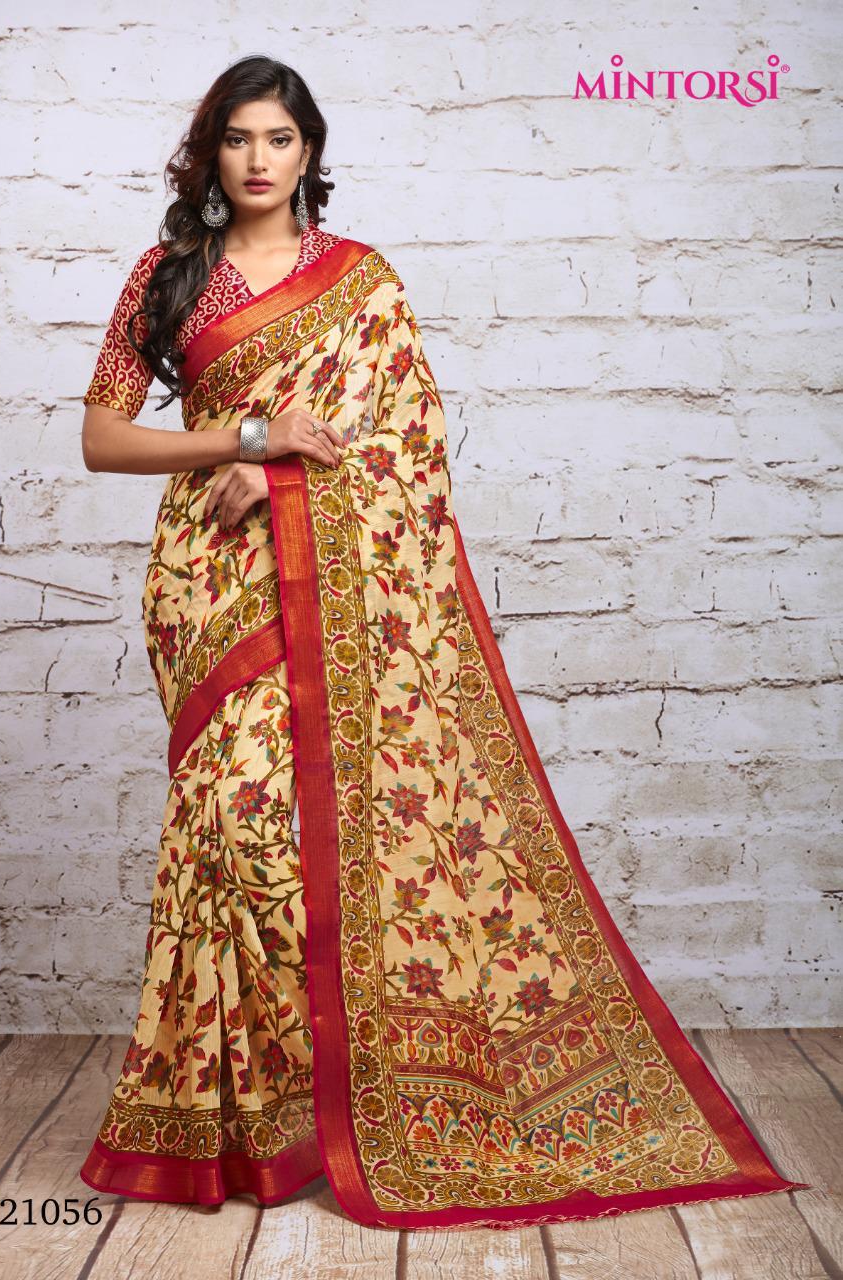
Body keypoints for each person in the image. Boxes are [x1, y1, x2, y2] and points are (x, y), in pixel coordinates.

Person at [77, 55, 810, 1230]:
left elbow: (405, 451)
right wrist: (245, 439)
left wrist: (284, 472)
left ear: (310, 151)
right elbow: (104, 439)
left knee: (272, 833)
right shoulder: (170, 278)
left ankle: (335, 1099)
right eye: (238, 138)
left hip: (325, 574)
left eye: (280, 138)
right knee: (222, 834)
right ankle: (246, 1127)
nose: (259, 159)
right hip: (208, 581)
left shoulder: (361, 283)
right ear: (210, 152)